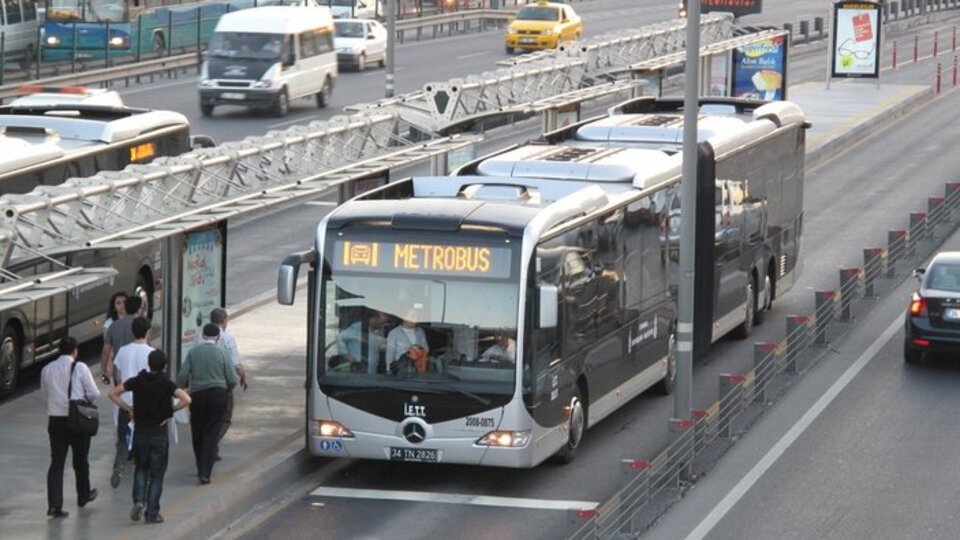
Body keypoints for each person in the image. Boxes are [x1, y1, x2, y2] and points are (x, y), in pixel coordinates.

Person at [109, 350, 191, 525]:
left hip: (140, 433)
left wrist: (128, 408)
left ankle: (138, 501)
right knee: (157, 474)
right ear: (165, 365)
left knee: (141, 468)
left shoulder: (138, 381)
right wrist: (171, 412)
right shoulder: (167, 384)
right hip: (159, 434)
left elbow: (113, 393)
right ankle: (152, 512)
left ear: (148, 363)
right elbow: (186, 399)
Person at [40, 337, 100, 518]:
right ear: (75, 351)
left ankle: (54, 505)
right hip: (77, 420)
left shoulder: (47, 369)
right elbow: (94, 393)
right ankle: (83, 495)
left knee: (57, 463)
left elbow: (45, 395)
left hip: (55, 420)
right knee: (81, 460)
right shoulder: (80, 368)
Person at [176, 323, 237, 485]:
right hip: (218, 394)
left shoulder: (193, 352)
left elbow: (182, 374)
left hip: (198, 394)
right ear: (217, 337)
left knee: (197, 430)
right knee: (212, 431)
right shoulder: (222, 353)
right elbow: (232, 379)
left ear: (203, 336)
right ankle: (206, 472)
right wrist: (226, 390)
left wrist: (180, 389)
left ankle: (199, 465)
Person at [110, 317, 154, 489]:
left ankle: (118, 466)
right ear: (148, 332)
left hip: (125, 403)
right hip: (143, 405)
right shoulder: (151, 353)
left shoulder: (122, 351)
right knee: (144, 441)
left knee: (123, 438)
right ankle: (142, 473)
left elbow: (118, 375)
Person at [210, 307, 248, 452]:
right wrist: (243, 377)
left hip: (203, 384)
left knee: (209, 417)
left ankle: (209, 443)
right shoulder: (227, 338)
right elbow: (236, 364)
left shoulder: (200, 337)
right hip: (222, 384)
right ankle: (211, 443)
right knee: (225, 416)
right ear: (224, 321)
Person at [101, 295, 144, 386]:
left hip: (119, 369)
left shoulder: (113, 326)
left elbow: (106, 350)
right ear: (139, 309)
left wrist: (104, 370)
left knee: (120, 394)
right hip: (137, 369)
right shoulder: (142, 326)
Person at [337, 310, 388, 374]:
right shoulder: (357, 328)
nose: (382, 326)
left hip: (373, 370)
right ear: (374, 319)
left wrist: (384, 346)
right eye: (381, 323)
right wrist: (346, 354)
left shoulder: (380, 331)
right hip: (358, 369)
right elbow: (340, 337)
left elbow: (381, 347)